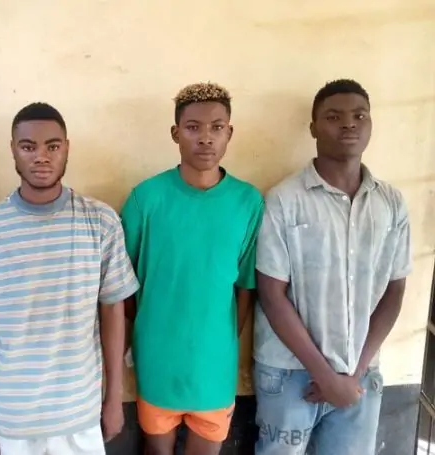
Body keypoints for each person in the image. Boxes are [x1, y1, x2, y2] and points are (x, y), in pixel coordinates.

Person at [0, 102, 139, 455]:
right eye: (28, 146)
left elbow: (113, 312)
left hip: (80, 413)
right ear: (13, 150)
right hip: (12, 418)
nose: (41, 157)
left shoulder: (100, 222)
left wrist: (114, 399)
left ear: (67, 148)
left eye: (52, 146)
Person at [253, 79, 411, 455]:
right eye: (334, 117)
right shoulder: (284, 200)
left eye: (359, 116)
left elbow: (394, 289)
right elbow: (272, 294)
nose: (349, 124)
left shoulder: (391, 203)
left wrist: (352, 374)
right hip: (289, 371)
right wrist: (325, 376)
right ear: (313, 128)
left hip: (361, 373)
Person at [120, 82, 264, 455]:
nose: (205, 138)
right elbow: (122, 284)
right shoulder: (146, 198)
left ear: (230, 133)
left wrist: (222, 338)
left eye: (217, 127)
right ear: (175, 133)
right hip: (157, 359)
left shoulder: (247, 202)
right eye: (193, 127)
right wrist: (146, 329)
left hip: (214, 365)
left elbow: (246, 287)